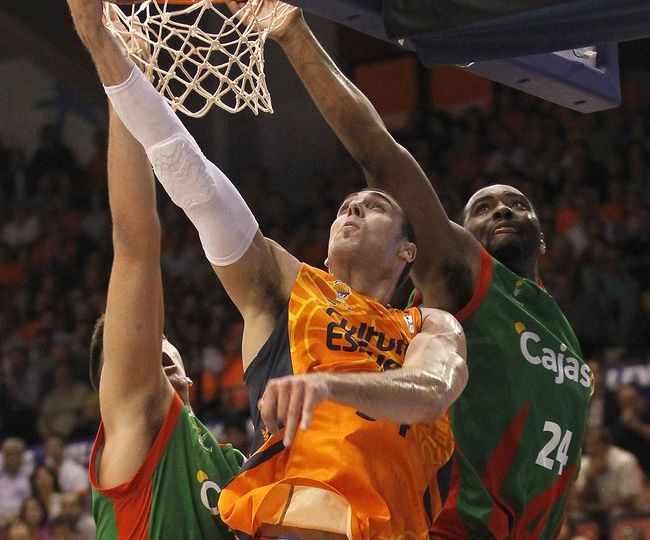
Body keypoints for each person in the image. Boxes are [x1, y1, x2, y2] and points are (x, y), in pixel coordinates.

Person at [66, 1, 469, 538]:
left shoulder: (430, 325)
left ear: (407, 252)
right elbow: (198, 186)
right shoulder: (290, 287)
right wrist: (112, 60)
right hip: (298, 523)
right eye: (345, 205)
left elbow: (435, 389)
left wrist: (332, 386)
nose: (353, 207)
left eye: (373, 206)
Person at [267, 6, 592, 538]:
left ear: (543, 238)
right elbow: (381, 156)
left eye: (517, 204)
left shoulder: (565, 333)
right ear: (452, 239)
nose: (502, 210)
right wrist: (294, 33)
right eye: (482, 209)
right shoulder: (465, 278)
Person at [62, 16, 244, 539]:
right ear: (109, 385)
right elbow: (135, 242)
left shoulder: (232, 465)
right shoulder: (132, 424)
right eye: (129, 351)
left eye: (157, 343)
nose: (147, 348)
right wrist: (122, 76)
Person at [572, 426, 644, 536]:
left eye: (594, 445)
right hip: (595, 512)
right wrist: (590, 477)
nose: (590, 450)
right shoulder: (585, 464)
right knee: (575, 517)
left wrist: (599, 508)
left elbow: (630, 500)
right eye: (588, 445)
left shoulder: (625, 461)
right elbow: (579, 499)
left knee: (616, 514)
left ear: (605, 445)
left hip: (624, 511)